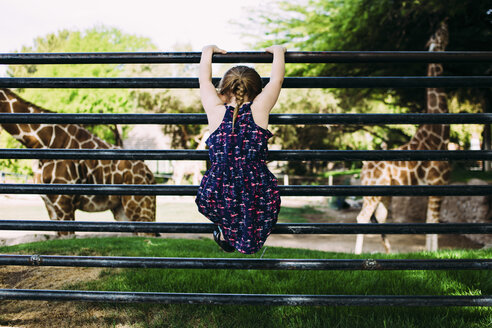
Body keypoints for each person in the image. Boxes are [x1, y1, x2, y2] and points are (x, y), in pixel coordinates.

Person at [195, 44, 285, 254]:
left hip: (220, 185)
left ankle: (225, 230)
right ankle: (242, 237)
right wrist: (279, 52)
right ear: (256, 92)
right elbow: (277, 81)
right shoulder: (260, 109)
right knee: (254, 207)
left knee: (223, 203)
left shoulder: (215, 110)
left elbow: (204, 80)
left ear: (224, 90)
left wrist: (207, 51)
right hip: (254, 184)